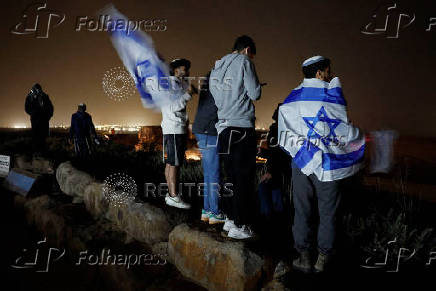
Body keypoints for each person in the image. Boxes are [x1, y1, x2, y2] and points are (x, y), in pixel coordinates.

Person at [278, 56, 365, 273]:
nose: (329, 75)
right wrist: (360, 136)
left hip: (301, 162)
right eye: (327, 71)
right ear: (319, 73)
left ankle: (304, 257)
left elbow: (284, 133)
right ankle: (322, 260)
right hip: (328, 164)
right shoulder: (332, 96)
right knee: (328, 213)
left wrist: (304, 151)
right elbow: (343, 130)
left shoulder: (292, 98)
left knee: (302, 211)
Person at [210, 35, 262, 239]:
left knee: (230, 176)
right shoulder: (244, 62)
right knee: (244, 178)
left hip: (223, 129)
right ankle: (241, 226)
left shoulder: (216, 68)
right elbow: (255, 93)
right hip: (241, 127)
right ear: (247, 50)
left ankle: (230, 219)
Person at [192, 72, 225, 224]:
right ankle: (215, 213)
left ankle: (207, 210)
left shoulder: (209, 79)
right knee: (214, 174)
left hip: (200, 128)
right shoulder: (219, 81)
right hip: (209, 131)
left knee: (208, 174)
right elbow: (216, 108)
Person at [162, 58, 194, 209]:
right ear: (175, 70)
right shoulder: (171, 85)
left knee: (171, 163)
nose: (187, 71)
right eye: (183, 68)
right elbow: (173, 107)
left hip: (173, 128)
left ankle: (171, 194)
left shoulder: (174, 84)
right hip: (174, 128)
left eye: (187, 69)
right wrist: (188, 95)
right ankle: (174, 196)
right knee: (175, 164)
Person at [258, 103, 290, 219]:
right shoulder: (287, 130)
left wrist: (271, 172)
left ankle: (269, 219)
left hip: (279, 172)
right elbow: (276, 153)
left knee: (264, 187)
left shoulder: (276, 130)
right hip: (282, 170)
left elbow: (278, 154)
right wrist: (261, 152)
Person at [25, 83, 53, 155]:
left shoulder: (45, 96)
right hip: (35, 120)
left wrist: (47, 117)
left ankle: (42, 154)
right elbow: (27, 108)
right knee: (36, 137)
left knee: (43, 137)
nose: (37, 91)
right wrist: (33, 113)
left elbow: (50, 108)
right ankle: (37, 154)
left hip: (43, 120)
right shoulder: (30, 97)